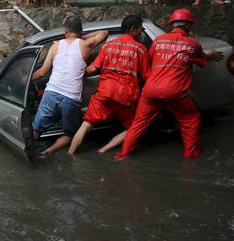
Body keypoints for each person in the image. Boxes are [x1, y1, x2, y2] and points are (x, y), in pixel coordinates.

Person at [114, 8, 223, 160]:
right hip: (174, 92)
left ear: (172, 25)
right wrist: (209, 56)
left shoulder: (158, 41)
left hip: (150, 90)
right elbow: (200, 57)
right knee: (191, 119)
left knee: (138, 125)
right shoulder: (192, 44)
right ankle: (190, 158)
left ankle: (122, 155)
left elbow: (151, 60)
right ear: (188, 26)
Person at [68, 15, 150, 155]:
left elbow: (91, 69)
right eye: (140, 30)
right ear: (133, 29)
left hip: (104, 93)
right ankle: (105, 149)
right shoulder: (140, 49)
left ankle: (70, 153)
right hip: (126, 97)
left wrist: (71, 68)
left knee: (86, 125)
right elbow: (147, 76)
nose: (141, 33)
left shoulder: (107, 46)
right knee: (134, 127)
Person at [32, 15, 108, 156]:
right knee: (70, 134)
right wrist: (81, 36)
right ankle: (49, 151)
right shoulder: (85, 44)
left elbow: (42, 72)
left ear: (65, 31)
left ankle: (29, 151)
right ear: (79, 31)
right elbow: (104, 33)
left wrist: (28, 78)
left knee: (36, 129)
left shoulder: (55, 46)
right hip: (71, 98)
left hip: (51, 93)